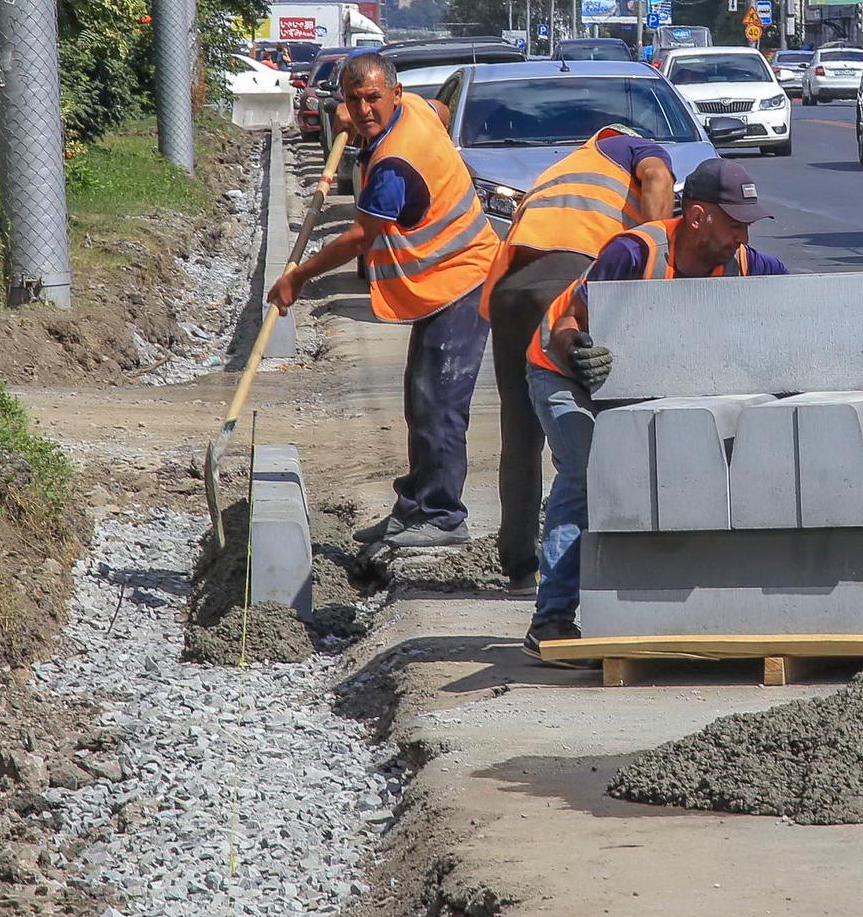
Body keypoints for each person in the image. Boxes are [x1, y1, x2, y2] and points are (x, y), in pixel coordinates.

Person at [522, 160, 788, 657]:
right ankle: (551, 621)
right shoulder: (634, 252)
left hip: (638, 382)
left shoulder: (747, 264)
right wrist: (580, 351)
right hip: (564, 374)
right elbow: (567, 326)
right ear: (697, 217)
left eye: (748, 224)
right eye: (734, 223)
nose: (742, 235)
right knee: (588, 473)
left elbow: (815, 305)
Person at [269, 52, 501, 550]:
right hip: (442, 280)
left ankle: (442, 517)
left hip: (463, 277)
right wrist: (355, 129)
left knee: (439, 403)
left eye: (373, 97)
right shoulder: (415, 108)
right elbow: (440, 112)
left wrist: (298, 277)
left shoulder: (396, 162)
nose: (364, 108)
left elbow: (358, 238)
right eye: (354, 100)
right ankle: (414, 506)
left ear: (393, 94)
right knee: (421, 400)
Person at [478, 127, 676, 589]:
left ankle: (519, 566)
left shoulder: (562, 172)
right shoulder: (631, 147)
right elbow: (658, 179)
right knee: (598, 425)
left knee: (520, 430)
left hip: (511, 294)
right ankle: (598, 560)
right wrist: (656, 253)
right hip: (568, 281)